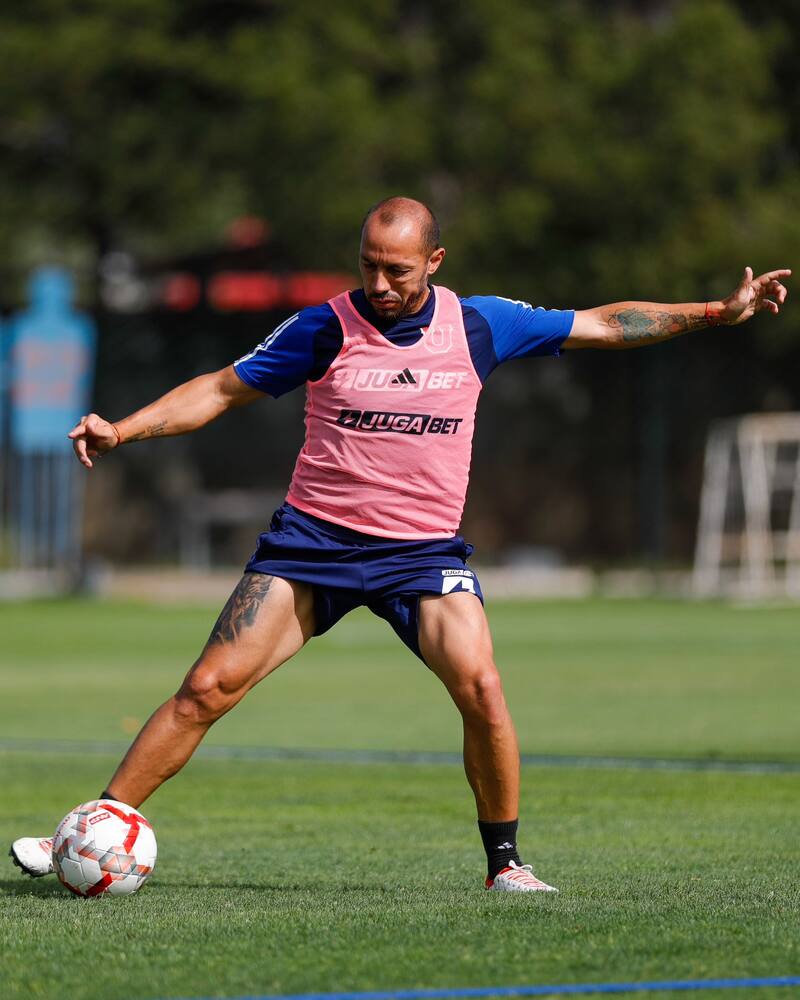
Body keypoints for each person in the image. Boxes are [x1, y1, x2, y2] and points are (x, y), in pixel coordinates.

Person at [10, 197, 790, 893]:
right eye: (369, 267)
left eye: (398, 270)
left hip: (421, 556)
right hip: (311, 546)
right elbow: (220, 387)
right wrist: (125, 428)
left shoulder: (479, 323)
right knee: (207, 688)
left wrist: (717, 313)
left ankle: (506, 865)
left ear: (435, 262)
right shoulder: (324, 327)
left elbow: (605, 322)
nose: (379, 285)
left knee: (482, 689)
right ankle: (87, 829)